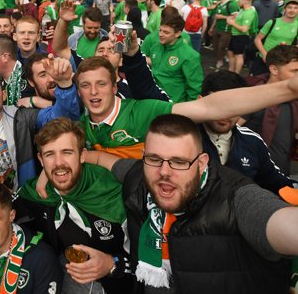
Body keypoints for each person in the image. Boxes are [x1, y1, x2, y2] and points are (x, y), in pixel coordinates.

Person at [88, 114, 298, 294]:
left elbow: (278, 222)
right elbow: (107, 162)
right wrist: (80, 156)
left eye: (179, 162)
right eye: (154, 158)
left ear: (201, 163)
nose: (164, 172)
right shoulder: (139, 178)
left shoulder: (235, 198)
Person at [76, 32, 298, 159]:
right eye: (86, 85)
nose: (93, 91)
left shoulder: (142, 110)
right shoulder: (82, 125)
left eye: (101, 84)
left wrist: (287, 88)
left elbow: (207, 108)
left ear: (115, 86)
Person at [17, 118, 133, 294]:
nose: (58, 163)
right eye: (49, 154)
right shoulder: (34, 193)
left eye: (67, 152)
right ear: (40, 159)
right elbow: (0, 213)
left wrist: (112, 264)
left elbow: (151, 265)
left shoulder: (114, 192)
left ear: (82, 155)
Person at [0, 55, 79, 190]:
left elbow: (64, 119)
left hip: (25, 200)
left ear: (3, 95)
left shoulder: (23, 118)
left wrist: (64, 85)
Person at [199, 70, 297, 196]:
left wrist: (294, 189)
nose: (226, 113)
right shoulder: (181, 138)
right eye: (219, 105)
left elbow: (275, 181)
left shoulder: (252, 141)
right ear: (200, 101)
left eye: (234, 106)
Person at [243, 44, 298, 175]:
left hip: (282, 173)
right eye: (295, 71)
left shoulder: (294, 99)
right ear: (274, 69)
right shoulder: (252, 96)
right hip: (250, 173)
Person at [145, 14, 203, 102]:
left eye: (166, 32)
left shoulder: (189, 55)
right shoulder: (155, 47)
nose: (161, 34)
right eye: (160, 30)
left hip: (173, 104)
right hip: (153, 100)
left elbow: (194, 87)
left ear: (178, 33)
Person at [226, 0, 258, 74]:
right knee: (230, 53)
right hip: (235, 35)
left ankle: (236, 73)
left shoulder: (249, 13)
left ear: (244, 2)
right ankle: (231, 71)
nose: (238, 3)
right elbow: (237, 18)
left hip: (241, 36)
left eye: (239, 1)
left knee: (238, 55)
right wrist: (231, 18)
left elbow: (244, 29)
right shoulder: (242, 10)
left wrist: (232, 23)